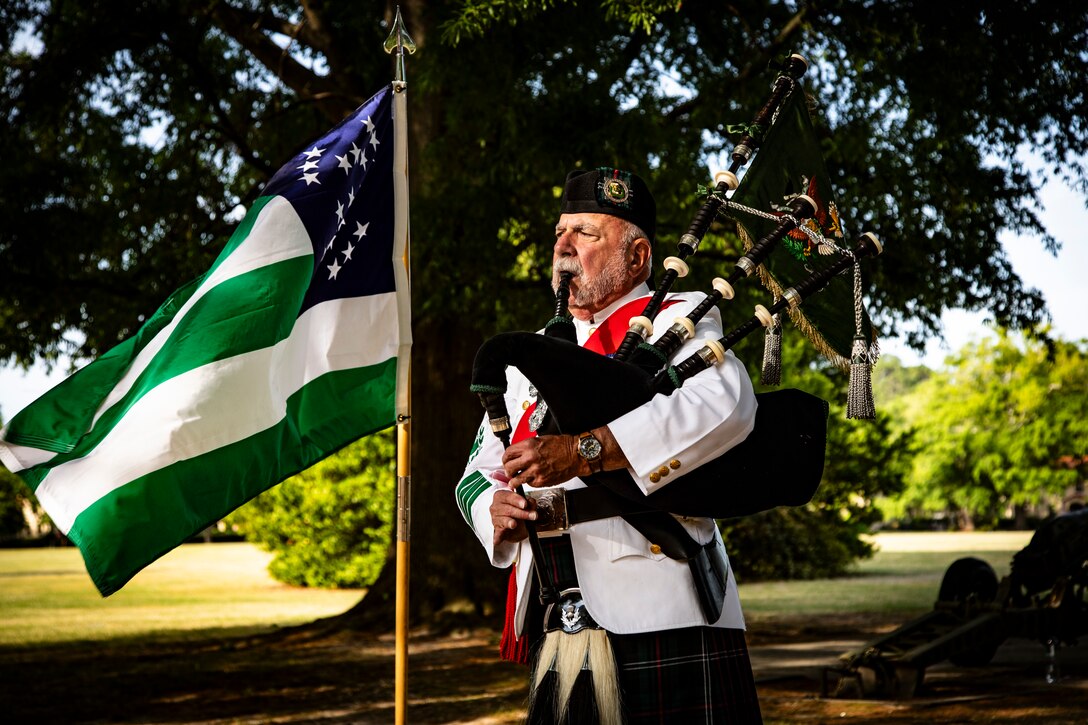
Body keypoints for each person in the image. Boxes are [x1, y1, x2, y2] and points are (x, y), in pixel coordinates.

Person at [455, 166, 763, 723]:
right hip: (555, 612)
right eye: (559, 234)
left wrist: (586, 450)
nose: (563, 248)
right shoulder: (534, 355)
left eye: (586, 234)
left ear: (639, 257)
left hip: (661, 607)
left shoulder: (679, 319)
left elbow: (727, 405)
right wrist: (491, 509)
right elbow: (477, 470)